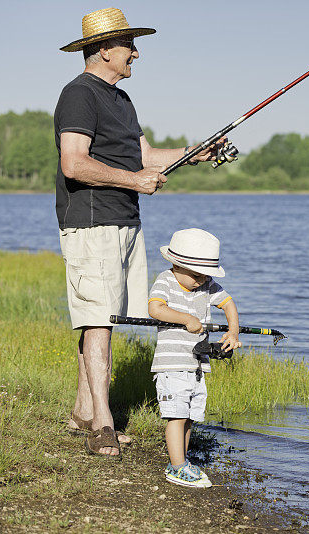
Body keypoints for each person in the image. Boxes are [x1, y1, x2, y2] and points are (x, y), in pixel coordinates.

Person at [55, 8, 228, 458]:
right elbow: (72, 163)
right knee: (98, 322)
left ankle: (83, 413)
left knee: (106, 319)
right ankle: (103, 427)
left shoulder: (122, 100)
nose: (137, 53)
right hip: (91, 222)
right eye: (130, 45)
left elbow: (145, 156)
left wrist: (194, 153)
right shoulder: (78, 95)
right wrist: (134, 181)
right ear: (104, 49)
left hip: (126, 221)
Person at [148, 228, 242, 487]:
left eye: (205, 275)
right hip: (172, 364)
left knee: (188, 415)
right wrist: (186, 318)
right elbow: (155, 308)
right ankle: (177, 467)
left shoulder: (207, 284)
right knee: (176, 415)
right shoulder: (165, 281)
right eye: (195, 274)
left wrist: (232, 332)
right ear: (176, 264)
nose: (200, 280)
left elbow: (228, 304)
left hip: (197, 365)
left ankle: (181, 461)